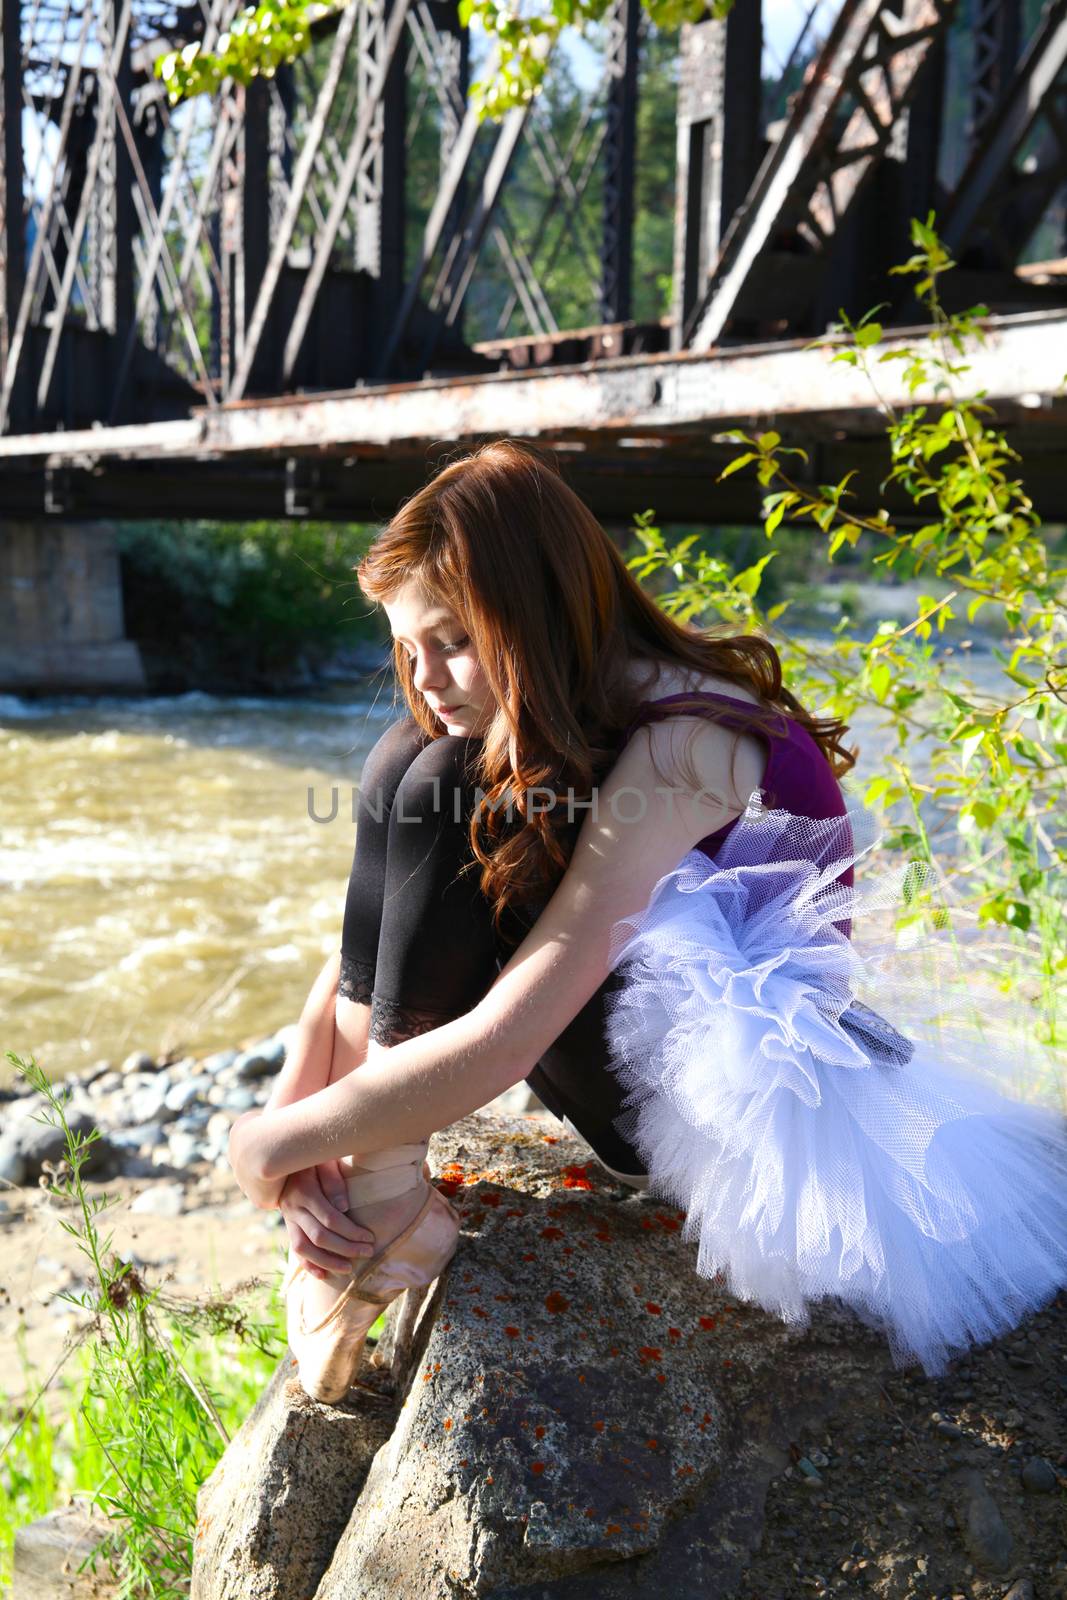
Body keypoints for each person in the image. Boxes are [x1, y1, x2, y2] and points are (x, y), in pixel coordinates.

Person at [228, 439, 1067, 1402]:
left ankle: (377, 1201)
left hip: (725, 1109)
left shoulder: (685, 741)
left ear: (538, 609)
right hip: (630, 1039)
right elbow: (363, 952)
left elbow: (512, 1034)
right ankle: (367, 1196)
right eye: (408, 648)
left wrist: (269, 1150)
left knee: (446, 781)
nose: (426, 676)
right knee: (408, 764)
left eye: (453, 641)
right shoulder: (563, 703)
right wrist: (291, 1136)